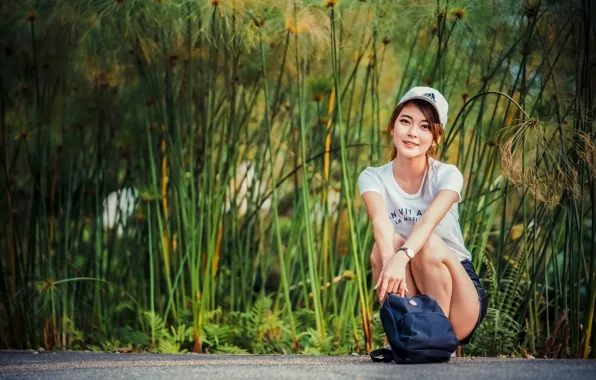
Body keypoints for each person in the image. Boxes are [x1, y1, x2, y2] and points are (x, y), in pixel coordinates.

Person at [357, 86, 488, 345]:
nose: (413, 133)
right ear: (392, 127)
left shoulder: (447, 175)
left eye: (425, 127)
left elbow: (427, 222)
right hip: (408, 277)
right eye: (405, 122)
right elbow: (380, 221)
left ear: (436, 138)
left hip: (458, 293)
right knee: (381, 248)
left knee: (425, 244)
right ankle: (409, 335)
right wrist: (389, 261)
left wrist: (402, 256)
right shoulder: (372, 176)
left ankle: (436, 339)